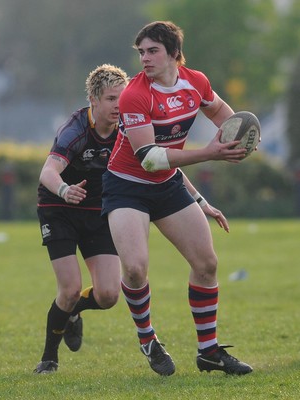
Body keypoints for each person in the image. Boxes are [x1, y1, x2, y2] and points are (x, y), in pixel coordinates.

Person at [101, 21, 253, 376]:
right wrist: (210, 153)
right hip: (126, 186)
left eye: (152, 51)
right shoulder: (134, 94)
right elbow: (150, 158)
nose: (144, 59)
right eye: (140, 52)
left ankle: (209, 353)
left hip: (167, 185)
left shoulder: (195, 81)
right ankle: (148, 339)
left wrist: (241, 137)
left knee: (207, 264)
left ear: (173, 52)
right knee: (136, 269)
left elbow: (224, 116)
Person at [34, 64, 129, 374]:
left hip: (97, 212)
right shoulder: (75, 129)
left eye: (122, 99)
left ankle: (73, 312)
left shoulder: (128, 127)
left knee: (109, 294)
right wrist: (64, 190)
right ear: (94, 100)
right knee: (70, 288)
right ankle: (49, 357)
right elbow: (48, 172)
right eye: (112, 99)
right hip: (58, 208)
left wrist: (197, 200)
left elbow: (160, 161)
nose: (119, 106)